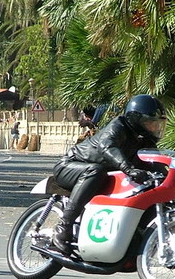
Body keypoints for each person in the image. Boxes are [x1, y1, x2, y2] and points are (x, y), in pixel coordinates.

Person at [50, 94, 167, 254]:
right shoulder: (118, 126)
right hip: (70, 166)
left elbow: (157, 164)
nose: (155, 128)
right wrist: (128, 169)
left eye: (157, 124)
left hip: (101, 176)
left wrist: (169, 183)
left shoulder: (146, 142)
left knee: (148, 187)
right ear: (136, 118)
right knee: (95, 170)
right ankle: (63, 227)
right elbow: (108, 147)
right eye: (150, 123)